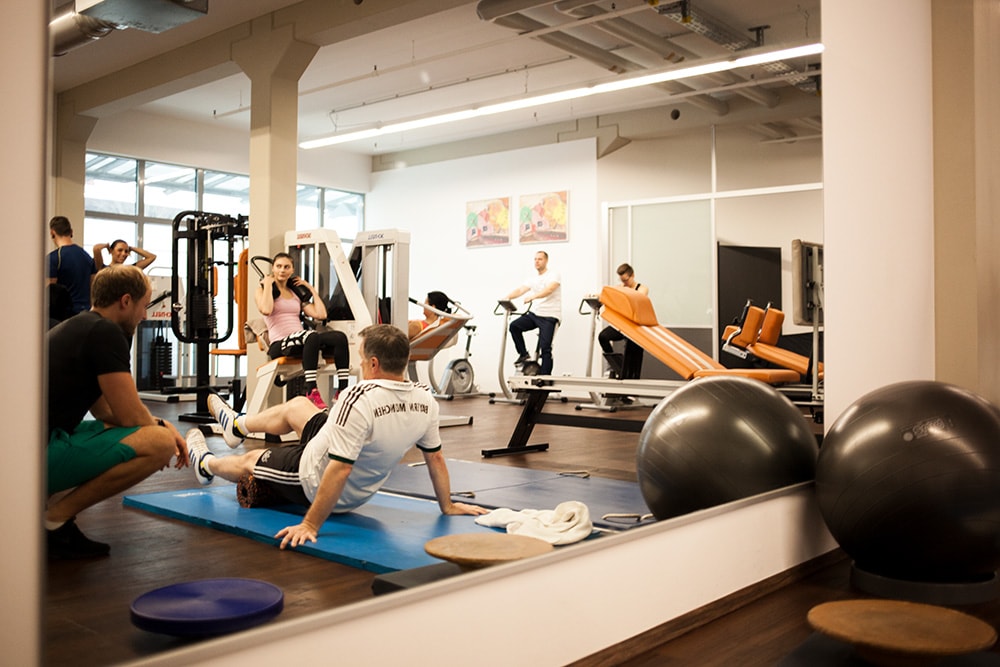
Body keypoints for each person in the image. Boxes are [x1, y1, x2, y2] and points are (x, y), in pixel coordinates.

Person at [187, 323, 488, 550]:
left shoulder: (359, 397)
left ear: (373, 364)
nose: (360, 364)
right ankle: (238, 426)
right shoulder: (425, 399)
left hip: (311, 477)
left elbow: (340, 468)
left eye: (361, 358)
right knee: (298, 406)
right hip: (353, 478)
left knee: (251, 460)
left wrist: (309, 524)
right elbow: (435, 458)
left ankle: (205, 464)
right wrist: (447, 505)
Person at [46, 265, 189, 560]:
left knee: (147, 432)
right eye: (144, 306)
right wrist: (164, 430)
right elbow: (129, 417)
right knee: (160, 443)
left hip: (34, 447)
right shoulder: (105, 332)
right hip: (33, 458)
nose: (144, 315)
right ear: (125, 301)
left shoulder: (81, 326)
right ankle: (54, 521)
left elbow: (105, 411)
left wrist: (158, 422)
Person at [256, 252, 350, 409]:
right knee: (311, 336)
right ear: (273, 268)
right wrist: (267, 285)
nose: (282, 270)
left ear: (292, 270)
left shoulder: (295, 293)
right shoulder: (262, 291)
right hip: (280, 344)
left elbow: (321, 314)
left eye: (286, 267)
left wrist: (310, 289)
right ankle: (311, 390)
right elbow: (266, 309)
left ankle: (342, 390)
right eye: (278, 266)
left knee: (339, 337)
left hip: (303, 340)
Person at [504, 250, 562, 375]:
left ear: (546, 261)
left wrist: (533, 296)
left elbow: (550, 289)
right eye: (535, 259)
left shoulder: (553, 275)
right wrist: (507, 298)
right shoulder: (533, 278)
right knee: (514, 326)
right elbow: (520, 290)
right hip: (535, 314)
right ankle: (523, 354)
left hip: (550, 316)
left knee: (545, 347)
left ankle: (545, 377)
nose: (537, 261)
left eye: (540, 259)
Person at [598, 263, 648, 379]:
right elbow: (606, 295)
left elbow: (637, 298)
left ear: (632, 276)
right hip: (622, 325)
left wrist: (622, 292)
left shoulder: (642, 288)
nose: (624, 283)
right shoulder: (620, 288)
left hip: (635, 327)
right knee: (603, 337)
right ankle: (614, 365)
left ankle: (633, 378)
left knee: (633, 350)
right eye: (622, 281)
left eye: (626, 280)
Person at [47, 215, 96, 315]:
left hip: (64, 315)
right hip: (85, 313)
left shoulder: (54, 258)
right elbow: (93, 287)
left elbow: (50, 293)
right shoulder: (86, 256)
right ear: (71, 232)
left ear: (52, 233)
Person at [93, 239, 157, 271]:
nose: (124, 254)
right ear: (111, 251)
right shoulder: (103, 269)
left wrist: (132, 248)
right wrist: (106, 245)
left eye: (126, 251)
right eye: (120, 250)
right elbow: (96, 248)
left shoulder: (129, 270)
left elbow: (152, 257)